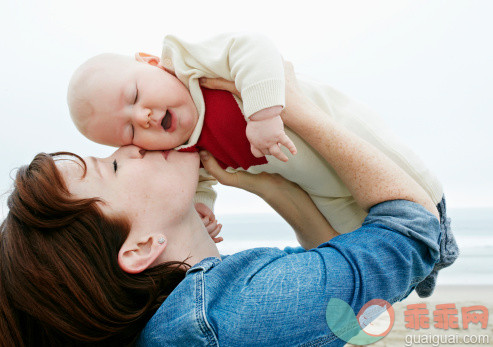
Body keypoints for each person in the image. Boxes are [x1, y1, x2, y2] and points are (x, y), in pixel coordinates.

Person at [1, 62, 446, 346]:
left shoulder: (201, 312)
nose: (131, 145)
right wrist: (296, 110)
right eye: (112, 168)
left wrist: (269, 186)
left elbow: (336, 282)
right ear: (138, 249)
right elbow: (413, 233)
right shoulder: (229, 320)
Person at [67, 33, 456, 296]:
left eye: (135, 94)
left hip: (343, 134)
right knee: (357, 228)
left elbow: (253, 49)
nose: (146, 116)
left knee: (402, 174)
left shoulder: (192, 68)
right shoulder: (187, 148)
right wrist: (204, 208)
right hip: (321, 190)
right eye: (130, 131)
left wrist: (263, 113)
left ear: (153, 62)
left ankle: (439, 233)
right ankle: (422, 273)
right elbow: (201, 182)